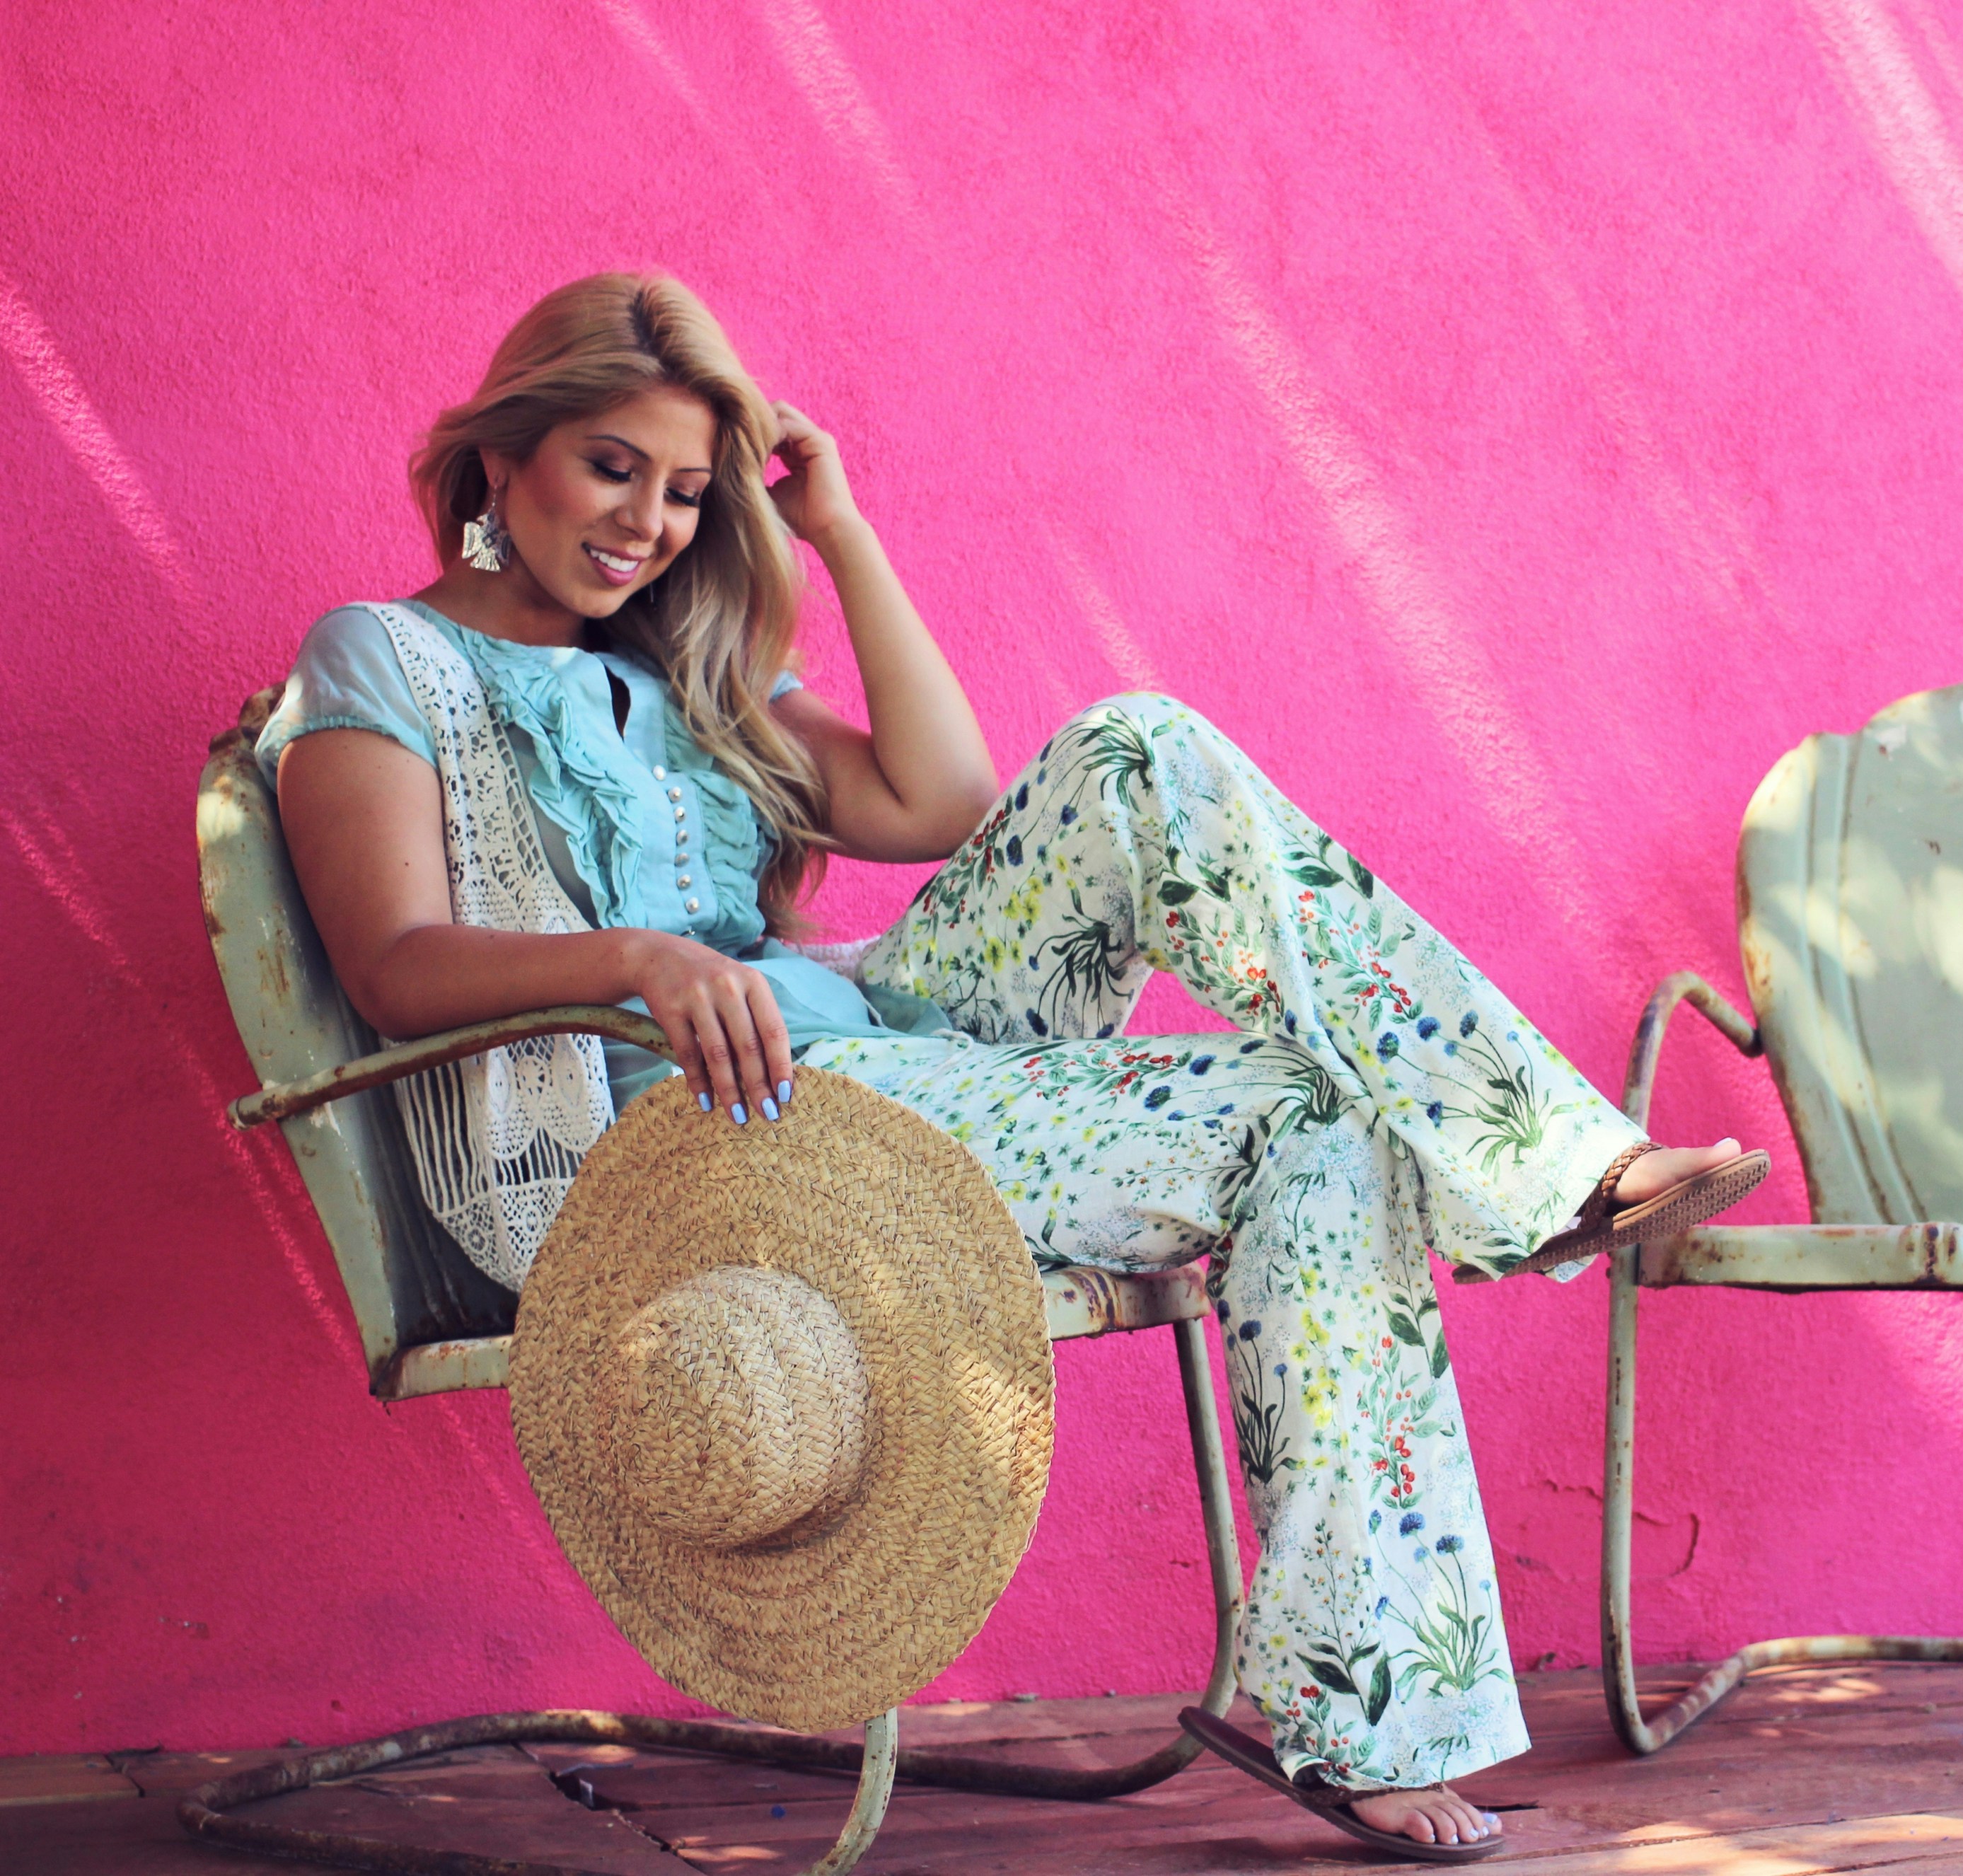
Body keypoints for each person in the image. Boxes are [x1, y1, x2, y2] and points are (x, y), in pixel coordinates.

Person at [262, 273, 1763, 1860]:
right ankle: (1379, 1691)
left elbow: (939, 802)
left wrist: (836, 536)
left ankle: (1547, 1162)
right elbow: (394, 964)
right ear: (504, 460)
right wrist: (638, 958)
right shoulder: (383, 658)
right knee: (1313, 1121)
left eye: (689, 491)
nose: (647, 522)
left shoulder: (687, 668)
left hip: (879, 1049)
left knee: (1137, 748)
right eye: (610, 467)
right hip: (701, 1129)